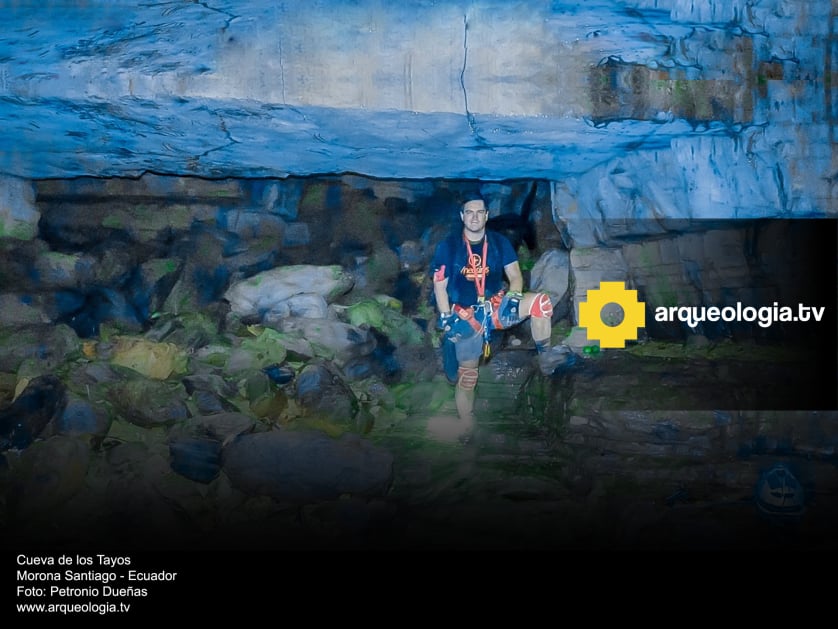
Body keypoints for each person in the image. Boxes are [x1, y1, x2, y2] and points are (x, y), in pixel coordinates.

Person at [430, 192, 556, 432]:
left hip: (497, 306)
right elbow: (440, 286)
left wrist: (514, 296)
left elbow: (516, 276)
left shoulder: (499, 242)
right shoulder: (449, 246)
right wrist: (447, 318)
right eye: (469, 212)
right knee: (468, 377)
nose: (475, 217)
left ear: (486, 215)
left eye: (479, 212)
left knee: (541, 303)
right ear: (462, 216)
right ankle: (466, 424)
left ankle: (546, 357)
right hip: (467, 316)